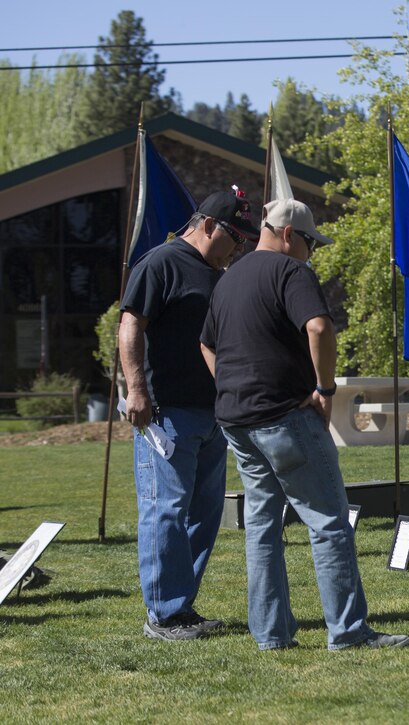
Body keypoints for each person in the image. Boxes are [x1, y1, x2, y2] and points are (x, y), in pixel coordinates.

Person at [199, 198, 409, 652]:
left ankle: (270, 635)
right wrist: (326, 388)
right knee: (329, 522)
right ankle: (349, 633)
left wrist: (234, 386)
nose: (312, 252)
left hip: (236, 421)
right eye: (311, 242)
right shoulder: (292, 273)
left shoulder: (228, 278)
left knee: (262, 528)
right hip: (285, 417)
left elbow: (207, 346)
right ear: (289, 234)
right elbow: (318, 328)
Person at [119, 187, 259, 641]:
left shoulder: (217, 273)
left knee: (204, 512)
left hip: (212, 414)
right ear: (208, 226)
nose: (239, 248)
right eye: (235, 237)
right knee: (166, 510)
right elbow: (130, 324)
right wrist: (135, 389)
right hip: (167, 414)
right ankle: (163, 615)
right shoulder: (160, 262)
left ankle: (182, 607)